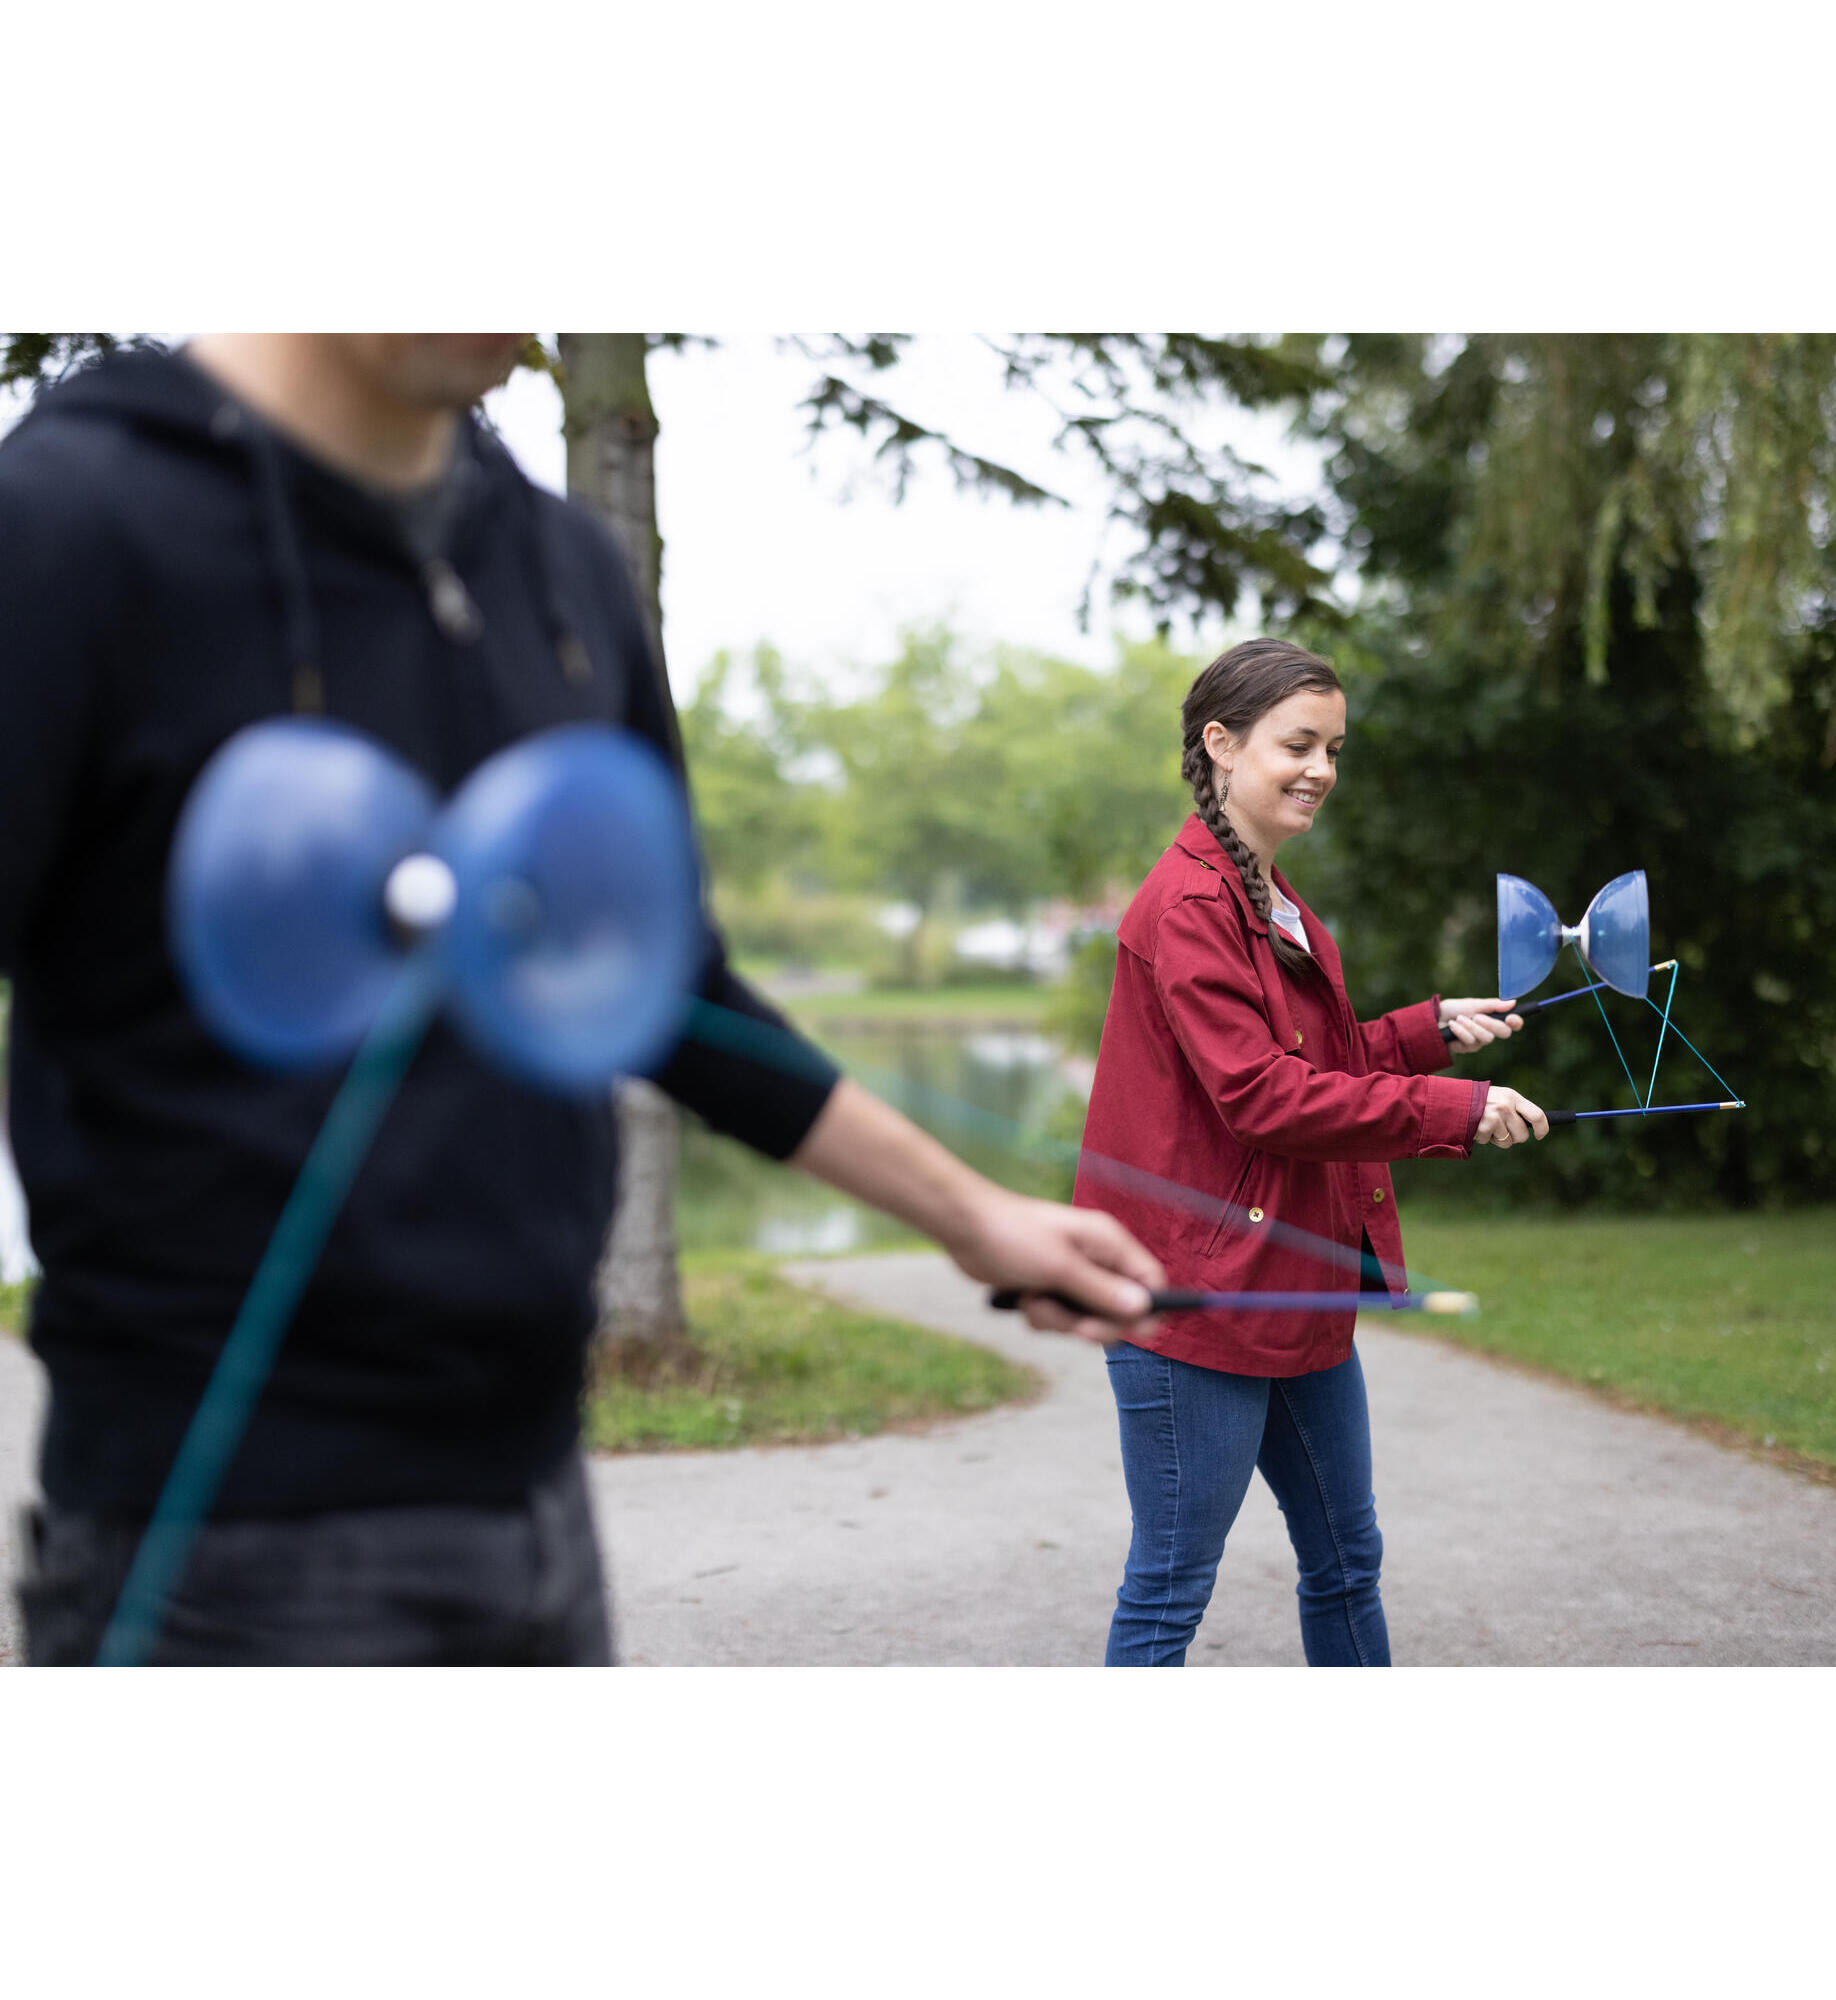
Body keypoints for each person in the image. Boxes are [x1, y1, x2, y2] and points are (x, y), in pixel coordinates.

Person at [0, 333, 1164, 1666]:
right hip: (216, 1546)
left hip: (538, 1499)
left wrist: (980, 1218)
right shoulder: (66, 524)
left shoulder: (561, 564)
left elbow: (670, 994)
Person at [1074, 636, 1548, 1667]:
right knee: (1168, 1588)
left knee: (1344, 1555)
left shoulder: (1270, 898)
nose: (1320, 769)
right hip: (1191, 1301)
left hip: (1293, 1280)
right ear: (1220, 744)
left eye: (1332, 747)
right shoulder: (1193, 904)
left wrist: (1424, 1029)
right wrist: (1446, 1108)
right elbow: (1260, 1096)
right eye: (1298, 743)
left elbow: (1310, 1058)